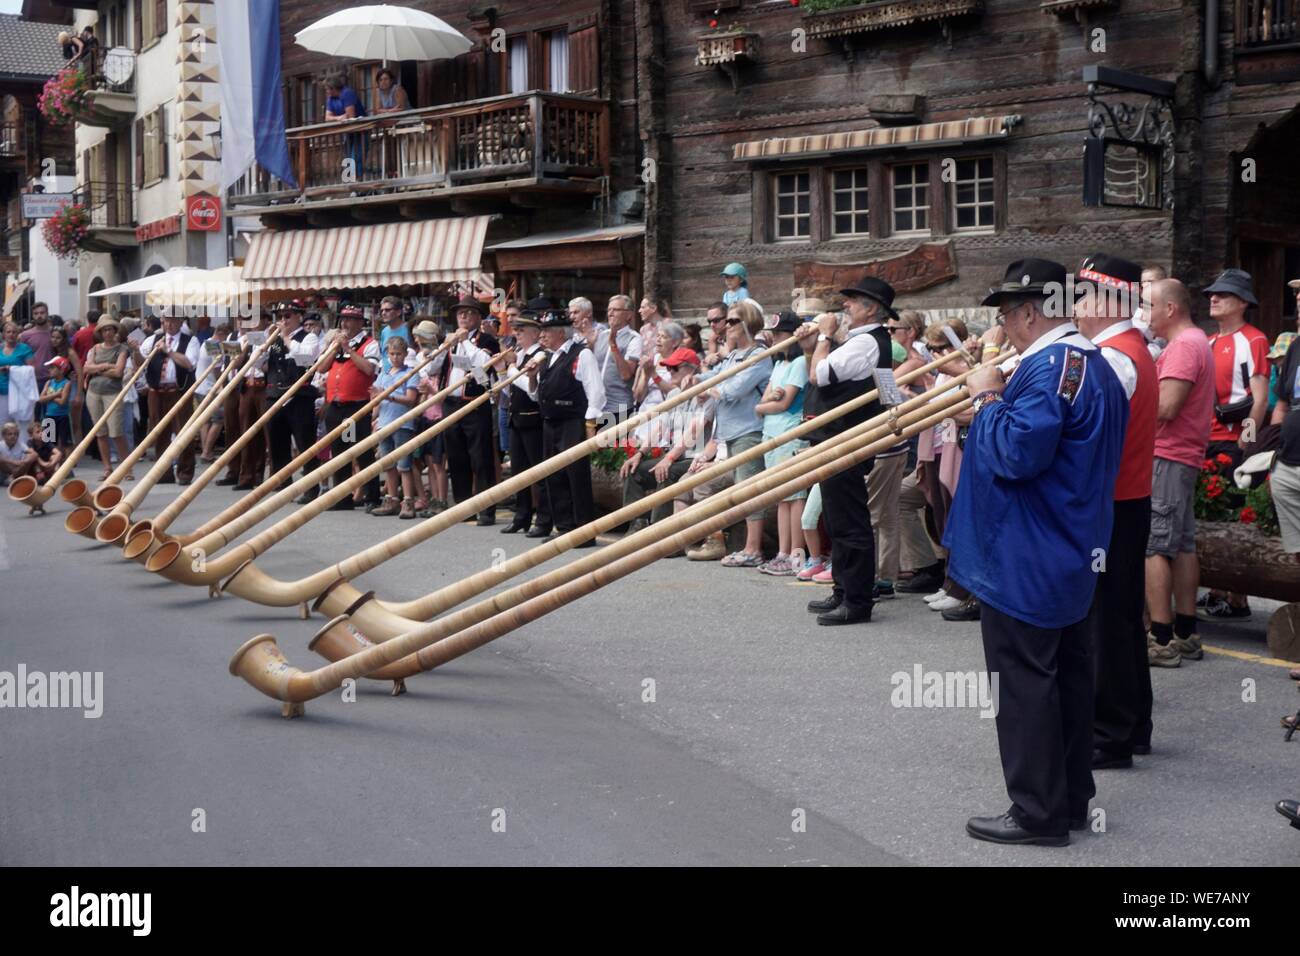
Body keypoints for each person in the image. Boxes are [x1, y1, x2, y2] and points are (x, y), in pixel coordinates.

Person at [947, 258, 1127, 846]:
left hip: (1028, 549)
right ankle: (1069, 798)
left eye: (1005, 314)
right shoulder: (1093, 364)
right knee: (1067, 675)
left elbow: (1020, 454)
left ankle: (1037, 812)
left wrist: (985, 400)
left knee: (1024, 683)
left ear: (1029, 312)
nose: (1001, 326)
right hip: (1069, 543)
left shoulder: (1053, 367)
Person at [1074, 253, 1158, 771]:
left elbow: (1085, 436)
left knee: (1106, 619)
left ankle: (1110, 735)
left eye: (1083, 295)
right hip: (1124, 500)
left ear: (1107, 300)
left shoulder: (1114, 357)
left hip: (1112, 504)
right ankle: (1132, 724)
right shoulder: (1123, 349)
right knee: (1119, 618)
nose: (1077, 306)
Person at [794, 280, 896, 624]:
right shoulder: (872, 342)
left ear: (871, 308)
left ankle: (856, 600)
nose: (845, 306)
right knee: (839, 520)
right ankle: (844, 590)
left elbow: (819, 376)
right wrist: (816, 345)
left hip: (845, 439)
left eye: (853, 301)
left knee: (849, 522)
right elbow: (888, 392)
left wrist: (823, 337)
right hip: (843, 438)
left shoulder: (867, 341)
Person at [1143, 279, 1217, 669]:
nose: (1145, 316)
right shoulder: (1196, 341)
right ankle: (1186, 632)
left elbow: (1166, 407)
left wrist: (1134, 402)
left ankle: (1161, 637)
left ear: (1169, 309)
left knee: (1154, 546)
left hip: (1167, 454)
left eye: (1149, 307)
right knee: (1183, 543)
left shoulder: (1184, 345)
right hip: (1182, 455)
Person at [1199, 268, 1269, 621]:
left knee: (1234, 512)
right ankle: (1215, 588)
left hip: (1234, 440)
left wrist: (1249, 442)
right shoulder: (1208, 342)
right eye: (1212, 293)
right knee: (1209, 516)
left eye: (1223, 294)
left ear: (1242, 303)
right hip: (1206, 439)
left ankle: (1237, 597)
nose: (1213, 298)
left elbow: (1260, 397)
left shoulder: (1254, 339)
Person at [693, 300, 772, 568]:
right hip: (731, 432)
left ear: (747, 323)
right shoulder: (734, 356)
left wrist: (710, 387)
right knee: (742, 488)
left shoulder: (758, 356)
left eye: (732, 321)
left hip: (749, 430)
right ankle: (747, 546)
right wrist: (695, 381)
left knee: (750, 490)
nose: (725, 326)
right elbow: (714, 377)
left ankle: (753, 549)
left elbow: (733, 390)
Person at [527, 302, 604, 545]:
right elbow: (537, 394)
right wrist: (531, 378)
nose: (542, 335)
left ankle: (583, 532)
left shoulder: (582, 354)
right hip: (551, 423)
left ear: (561, 332)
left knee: (576, 477)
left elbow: (596, 393)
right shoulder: (548, 358)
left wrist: (591, 428)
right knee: (554, 476)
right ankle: (564, 528)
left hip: (573, 422)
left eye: (547, 330)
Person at [620, 347, 701, 530]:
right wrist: (639, 453)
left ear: (692, 369)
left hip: (696, 457)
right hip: (676, 455)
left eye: (675, 368)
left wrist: (669, 458)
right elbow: (660, 427)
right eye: (669, 368)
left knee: (666, 472)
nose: (670, 372)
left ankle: (660, 530)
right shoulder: (673, 394)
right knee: (634, 471)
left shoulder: (702, 394)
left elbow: (694, 433)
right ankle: (637, 524)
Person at [753, 311, 809, 576]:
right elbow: (761, 405)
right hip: (772, 434)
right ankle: (782, 552)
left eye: (780, 334)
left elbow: (784, 403)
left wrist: (766, 405)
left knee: (794, 495)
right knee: (780, 496)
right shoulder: (778, 365)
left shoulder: (799, 362)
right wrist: (766, 404)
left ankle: (795, 553)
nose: (774, 339)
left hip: (790, 432)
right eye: (773, 334)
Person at [440, 295, 500, 524]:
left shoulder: (486, 339)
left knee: (481, 458)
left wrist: (464, 341)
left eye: (468, 312)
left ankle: (486, 509)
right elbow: (438, 367)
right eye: (460, 313)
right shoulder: (451, 339)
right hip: (451, 403)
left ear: (477, 317)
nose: (463, 316)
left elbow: (483, 365)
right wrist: (445, 346)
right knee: (456, 457)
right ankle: (463, 506)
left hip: (475, 403)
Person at [322, 305, 382, 512]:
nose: (345, 324)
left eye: (349, 320)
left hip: (354, 407)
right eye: (343, 320)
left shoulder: (369, 344)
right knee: (339, 452)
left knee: (360, 451)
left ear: (359, 322)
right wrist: (334, 348)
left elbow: (368, 369)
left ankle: (372, 495)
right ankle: (342, 496)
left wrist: (348, 349)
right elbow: (321, 367)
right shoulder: (337, 345)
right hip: (336, 406)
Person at [265, 301, 323, 502]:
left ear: (299, 316)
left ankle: (310, 487)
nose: (282, 320)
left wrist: (287, 338)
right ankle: (283, 483)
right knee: (277, 443)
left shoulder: (309, 338)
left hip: (299, 397)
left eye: (287, 316)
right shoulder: (274, 338)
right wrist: (261, 343)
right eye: (280, 316)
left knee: (305, 443)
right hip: (275, 396)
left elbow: (305, 358)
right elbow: (261, 364)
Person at [134, 313, 201, 484]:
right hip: (156, 392)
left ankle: (185, 473)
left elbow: (189, 363)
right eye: (166, 320)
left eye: (173, 320)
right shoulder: (152, 339)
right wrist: (135, 350)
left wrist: (168, 351)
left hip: (179, 391)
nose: (169, 324)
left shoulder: (190, 340)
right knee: (159, 432)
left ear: (180, 322)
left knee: (184, 432)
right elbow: (141, 363)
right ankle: (163, 473)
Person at [501, 310, 551, 536]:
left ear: (534, 333)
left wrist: (511, 370)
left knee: (538, 473)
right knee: (518, 472)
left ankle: (543, 519)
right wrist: (502, 373)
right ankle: (521, 516)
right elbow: (510, 389)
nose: (517, 334)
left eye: (522, 330)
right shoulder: (519, 355)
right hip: (516, 418)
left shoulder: (540, 355)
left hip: (533, 420)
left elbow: (533, 392)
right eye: (516, 330)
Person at [369, 338, 421, 519]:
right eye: (392, 354)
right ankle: (391, 499)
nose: (395, 357)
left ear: (405, 354)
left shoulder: (411, 373)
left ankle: (407, 501)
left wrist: (389, 396)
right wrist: (373, 417)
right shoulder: (384, 373)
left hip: (402, 423)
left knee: (404, 465)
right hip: (384, 422)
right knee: (387, 464)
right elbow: (377, 400)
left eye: (399, 354)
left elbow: (410, 399)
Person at [83, 315, 132, 481]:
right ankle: (107, 468)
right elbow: (86, 368)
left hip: (112, 392)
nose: (107, 333)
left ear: (115, 330)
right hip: (94, 392)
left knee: (117, 432)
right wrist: (106, 366)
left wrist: (96, 369)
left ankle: (127, 468)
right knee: (100, 432)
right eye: (104, 330)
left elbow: (118, 372)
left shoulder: (122, 349)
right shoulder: (95, 349)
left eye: (110, 329)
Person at [410, 320, 449, 517]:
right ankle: (434, 497)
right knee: (428, 460)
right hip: (426, 413)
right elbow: (423, 373)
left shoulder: (442, 354)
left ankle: (442, 499)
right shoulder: (420, 355)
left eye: (420, 336)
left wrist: (430, 388)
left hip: (439, 414)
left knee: (438, 463)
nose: (417, 339)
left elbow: (442, 393)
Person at [230, 313, 272, 490]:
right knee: (246, 432)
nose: (252, 324)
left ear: (264, 321)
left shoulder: (270, 338)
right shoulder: (243, 339)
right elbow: (234, 364)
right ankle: (246, 476)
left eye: (256, 320)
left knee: (266, 433)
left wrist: (263, 350)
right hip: (247, 387)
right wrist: (245, 347)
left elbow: (270, 366)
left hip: (263, 387)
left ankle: (264, 475)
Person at [594, 294, 642, 424]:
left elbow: (626, 374)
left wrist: (613, 345)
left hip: (619, 408)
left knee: (616, 445)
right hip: (598, 407)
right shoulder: (601, 335)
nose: (610, 313)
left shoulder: (634, 338)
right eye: (609, 310)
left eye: (615, 310)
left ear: (629, 315)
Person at [197, 324, 230, 462]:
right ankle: (206, 451)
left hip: (201, 387)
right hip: (211, 388)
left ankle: (206, 451)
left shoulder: (205, 343)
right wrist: (222, 385)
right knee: (218, 420)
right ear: (221, 334)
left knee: (206, 421)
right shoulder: (214, 345)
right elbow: (217, 370)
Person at [39, 356, 74, 456]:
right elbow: (40, 399)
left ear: (61, 370)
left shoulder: (67, 383)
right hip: (49, 415)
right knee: (48, 442)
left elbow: (63, 401)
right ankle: (51, 463)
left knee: (65, 442)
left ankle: (68, 465)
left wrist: (48, 397)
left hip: (63, 416)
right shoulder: (48, 382)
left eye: (52, 368)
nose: (49, 370)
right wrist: (56, 395)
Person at [19, 302, 53, 396]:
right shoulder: (26, 335)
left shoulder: (55, 333)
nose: (39, 316)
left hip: (53, 379)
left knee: (51, 410)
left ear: (47, 313)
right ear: (32, 316)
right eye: (36, 313)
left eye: (42, 313)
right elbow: (21, 356)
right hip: (32, 379)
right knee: (34, 410)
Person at [378, 296, 411, 371]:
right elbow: (384, 355)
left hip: (405, 376)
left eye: (387, 310)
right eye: (382, 310)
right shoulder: (384, 331)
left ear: (398, 312)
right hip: (386, 376)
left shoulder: (409, 329)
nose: (383, 313)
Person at [0, 420, 32, 486]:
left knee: (27, 461)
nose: (13, 436)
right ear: (4, 435)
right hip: (4, 470)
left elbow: (34, 454)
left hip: (17, 471)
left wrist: (24, 461)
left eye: (15, 434)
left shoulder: (21, 445)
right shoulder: (1, 445)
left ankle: (12, 478)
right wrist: (13, 462)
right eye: (10, 434)